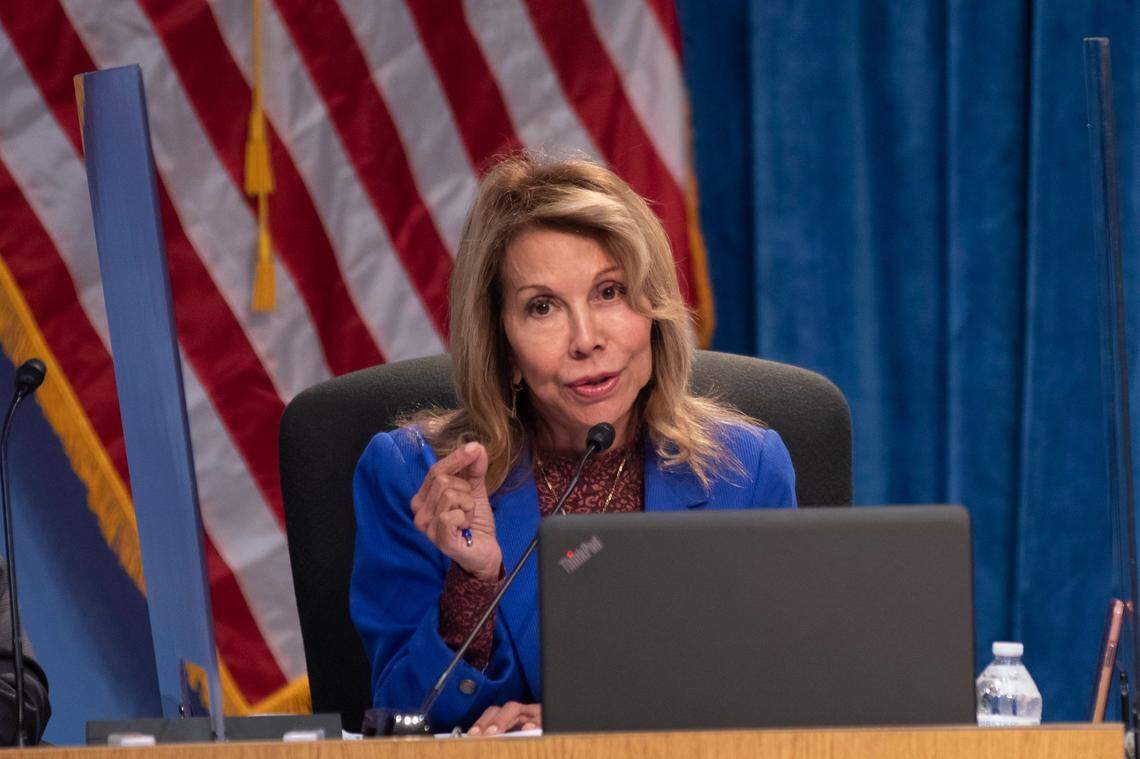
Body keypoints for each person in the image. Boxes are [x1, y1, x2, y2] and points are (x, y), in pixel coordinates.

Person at [350, 155, 796, 735]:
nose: (586, 340)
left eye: (610, 292)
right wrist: (475, 581)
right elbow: (396, 723)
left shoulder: (746, 470)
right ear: (503, 345)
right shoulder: (414, 475)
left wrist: (583, 722)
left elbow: (777, 702)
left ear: (655, 312)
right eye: (542, 307)